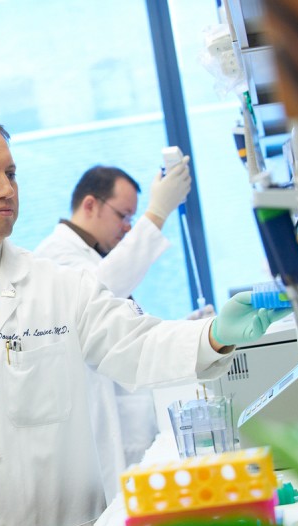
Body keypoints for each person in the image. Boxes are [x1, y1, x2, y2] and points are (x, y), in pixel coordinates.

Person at [0, 114, 288, 526]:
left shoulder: (62, 286)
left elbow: (137, 345)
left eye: (11, 173)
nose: (7, 188)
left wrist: (215, 335)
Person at [34, 164, 210, 497]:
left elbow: (121, 327)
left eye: (132, 218)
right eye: (123, 215)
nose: (128, 228)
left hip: (129, 417)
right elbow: (101, 290)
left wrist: (186, 330)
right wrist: (156, 214)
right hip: (103, 431)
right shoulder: (55, 257)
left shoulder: (91, 256)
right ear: (90, 205)